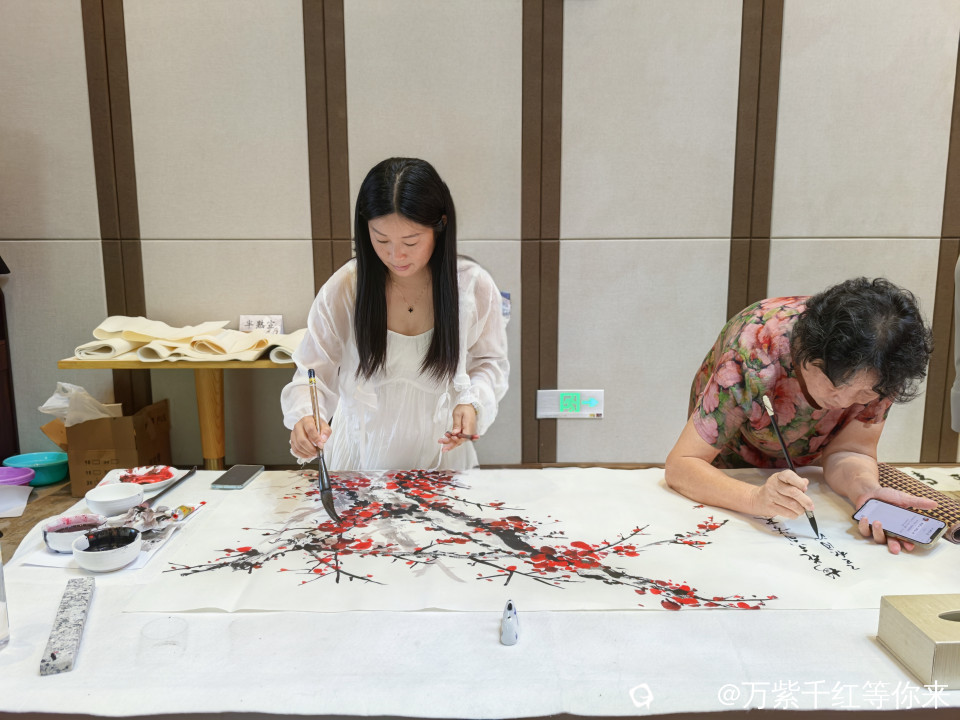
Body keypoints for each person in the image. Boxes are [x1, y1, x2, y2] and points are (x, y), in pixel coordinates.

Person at [665, 277, 936, 554]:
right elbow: (682, 465)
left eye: (864, 394)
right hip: (730, 464)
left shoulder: (884, 367)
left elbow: (850, 451)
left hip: (802, 476)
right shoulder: (754, 352)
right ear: (805, 352)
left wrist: (865, 489)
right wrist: (755, 497)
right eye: (833, 385)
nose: (842, 403)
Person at [281, 157, 509, 471]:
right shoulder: (347, 287)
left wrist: (473, 404)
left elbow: (489, 363)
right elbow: (313, 371)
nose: (395, 255)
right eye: (381, 240)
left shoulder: (472, 287)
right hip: (360, 458)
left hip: (441, 456)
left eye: (411, 242)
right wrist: (306, 416)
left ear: (440, 226)